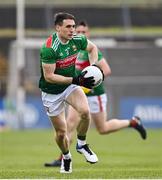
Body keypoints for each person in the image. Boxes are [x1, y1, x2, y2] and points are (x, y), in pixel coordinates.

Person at [44, 20, 147, 167]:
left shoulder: (90, 50)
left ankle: (133, 122)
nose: (79, 34)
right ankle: (63, 157)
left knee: (103, 129)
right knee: (70, 123)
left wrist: (92, 81)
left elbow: (106, 70)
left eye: (83, 32)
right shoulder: (71, 48)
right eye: (77, 31)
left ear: (88, 34)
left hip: (94, 93)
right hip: (76, 91)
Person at [39, 13, 104, 173]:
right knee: (61, 133)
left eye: (73, 26)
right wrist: (76, 80)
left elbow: (92, 48)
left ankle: (82, 144)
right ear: (58, 27)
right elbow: (49, 77)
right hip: (51, 91)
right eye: (68, 26)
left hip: (70, 86)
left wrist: (93, 67)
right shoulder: (49, 48)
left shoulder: (77, 39)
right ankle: (66, 157)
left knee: (85, 112)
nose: (72, 30)